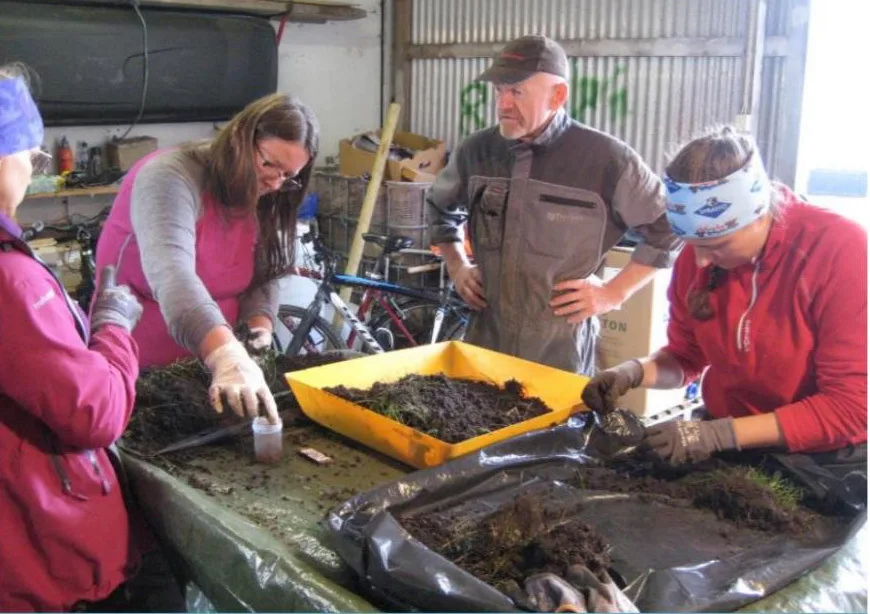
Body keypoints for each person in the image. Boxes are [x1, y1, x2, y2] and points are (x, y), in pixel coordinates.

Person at [0, 65, 184, 611]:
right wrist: (112, 325)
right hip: (47, 558)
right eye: (30, 157)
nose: (32, 170)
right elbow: (95, 412)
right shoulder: (9, 279)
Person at [582, 126, 868, 466]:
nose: (700, 261)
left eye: (716, 246)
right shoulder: (698, 257)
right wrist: (631, 372)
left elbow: (852, 408)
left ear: (759, 214)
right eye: (693, 246)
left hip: (819, 456)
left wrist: (718, 434)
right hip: (728, 440)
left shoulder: (839, 251)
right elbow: (687, 357)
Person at [427, 34, 681, 375]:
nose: (502, 104)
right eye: (499, 90)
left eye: (516, 91)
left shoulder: (606, 160)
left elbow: (668, 226)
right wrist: (457, 265)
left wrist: (613, 293)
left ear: (557, 95)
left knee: (559, 428)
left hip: (561, 355)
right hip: (486, 343)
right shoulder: (477, 152)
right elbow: (439, 205)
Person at [96, 93, 320, 425]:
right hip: (142, 358)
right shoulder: (170, 176)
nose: (274, 182)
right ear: (241, 141)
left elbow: (265, 270)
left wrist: (258, 329)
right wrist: (226, 355)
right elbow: (173, 275)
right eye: (268, 164)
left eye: (288, 175)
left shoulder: (270, 190)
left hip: (217, 362)